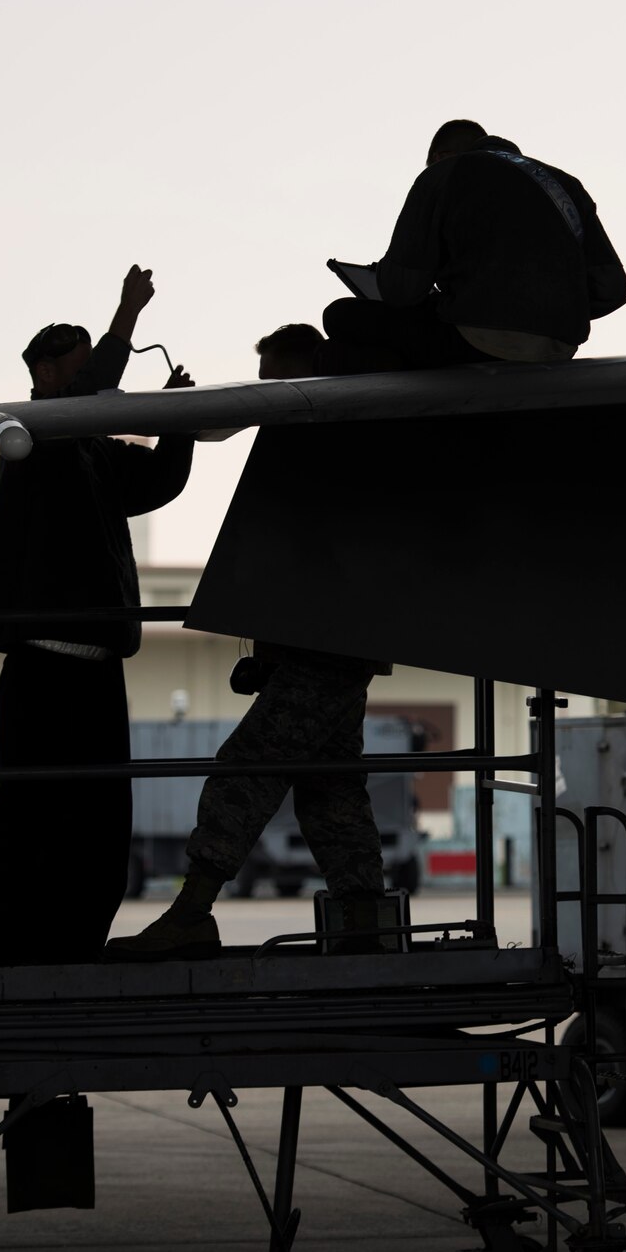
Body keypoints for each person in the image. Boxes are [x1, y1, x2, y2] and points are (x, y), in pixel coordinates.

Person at [104, 327, 393, 961]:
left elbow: (316, 560)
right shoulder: (321, 441)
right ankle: (367, 924)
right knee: (331, 788)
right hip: (328, 645)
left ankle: (190, 913)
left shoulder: (329, 441)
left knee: (246, 770)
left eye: (276, 381)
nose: (268, 396)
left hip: (328, 645)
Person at [0, 265, 195, 964]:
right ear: (43, 377)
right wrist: (127, 315)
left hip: (99, 671)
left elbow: (159, 480)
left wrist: (178, 422)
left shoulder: (97, 456)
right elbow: (89, 392)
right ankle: (18, 949)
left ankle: (79, 946)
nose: (94, 387)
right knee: (34, 816)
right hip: (42, 667)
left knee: (102, 819)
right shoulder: (33, 437)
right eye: (75, 374)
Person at [320, 119, 626, 372]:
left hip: (476, 339)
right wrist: (549, 310)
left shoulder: (441, 176)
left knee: (339, 317)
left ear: (440, 157)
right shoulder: (565, 183)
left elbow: (401, 290)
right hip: (558, 346)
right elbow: (612, 289)